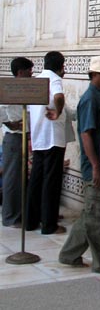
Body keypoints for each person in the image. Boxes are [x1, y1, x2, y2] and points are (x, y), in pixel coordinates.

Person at [59, 56, 100, 272]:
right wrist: (95, 167)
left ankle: (69, 254)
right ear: (96, 75)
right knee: (98, 216)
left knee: (92, 213)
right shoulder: (91, 98)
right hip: (95, 167)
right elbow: (86, 134)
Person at [26, 51, 67, 234]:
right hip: (52, 138)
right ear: (61, 66)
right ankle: (49, 225)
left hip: (38, 137)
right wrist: (58, 111)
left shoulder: (37, 80)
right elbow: (59, 97)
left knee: (36, 179)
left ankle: (31, 221)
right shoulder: (54, 78)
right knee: (51, 181)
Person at [0, 57, 34, 227]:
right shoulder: (9, 89)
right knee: (12, 179)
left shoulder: (22, 89)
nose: (31, 74)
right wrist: (9, 123)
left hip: (22, 137)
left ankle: (20, 213)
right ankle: (11, 217)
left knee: (20, 178)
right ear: (20, 72)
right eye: (29, 71)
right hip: (14, 138)